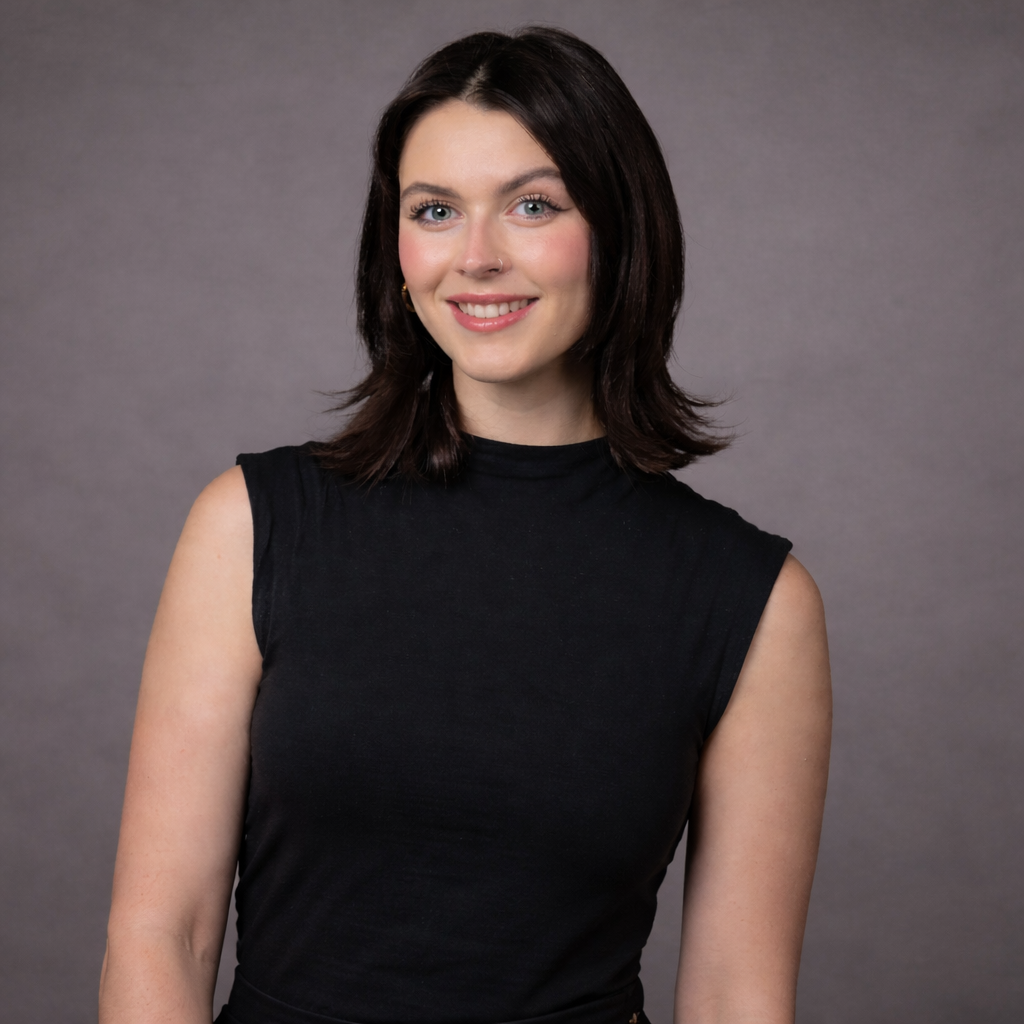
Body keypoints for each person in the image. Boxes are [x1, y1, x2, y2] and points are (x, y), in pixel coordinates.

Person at [99, 26, 831, 1024]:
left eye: (534, 206)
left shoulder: (750, 599)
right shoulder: (251, 525)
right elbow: (162, 932)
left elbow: (736, 996)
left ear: (620, 230)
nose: (477, 258)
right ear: (394, 250)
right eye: (434, 210)